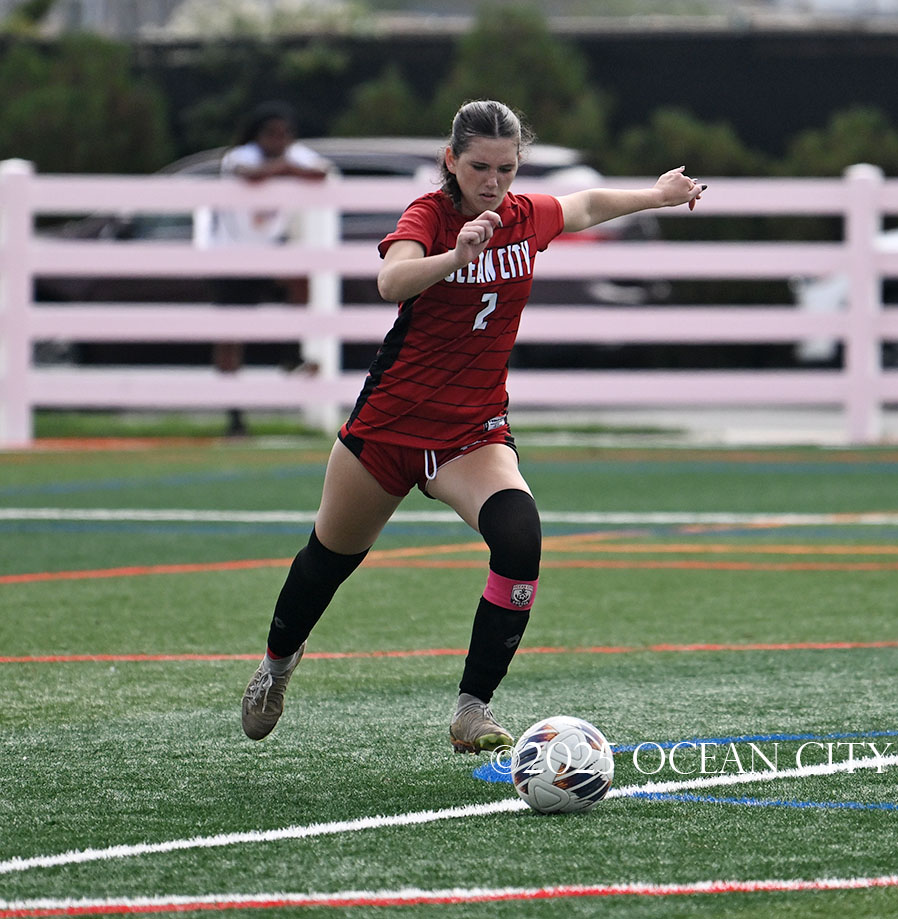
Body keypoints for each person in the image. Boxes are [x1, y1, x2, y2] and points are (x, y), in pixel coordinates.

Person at [241, 99, 705, 752]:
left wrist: (657, 195)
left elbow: (585, 205)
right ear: (451, 161)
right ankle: (276, 666)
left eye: (506, 168)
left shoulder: (524, 216)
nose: (493, 182)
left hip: (471, 434)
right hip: (390, 426)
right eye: (479, 167)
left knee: (520, 538)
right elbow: (391, 280)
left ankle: (472, 708)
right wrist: (453, 256)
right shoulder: (429, 216)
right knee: (328, 559)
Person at [209, 101, 331, 437]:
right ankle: (234, 417)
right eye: (271, 133)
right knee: (230, 338)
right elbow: (248, 174)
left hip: (269, 252)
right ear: (256, 134)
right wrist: (286, 169)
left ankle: (291, 351)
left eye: (285, 133)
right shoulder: (242, 155)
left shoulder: (294, 154)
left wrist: (285, 167)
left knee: (300, 281)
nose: (279, 140)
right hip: (230, 256)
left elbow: (322, 172)